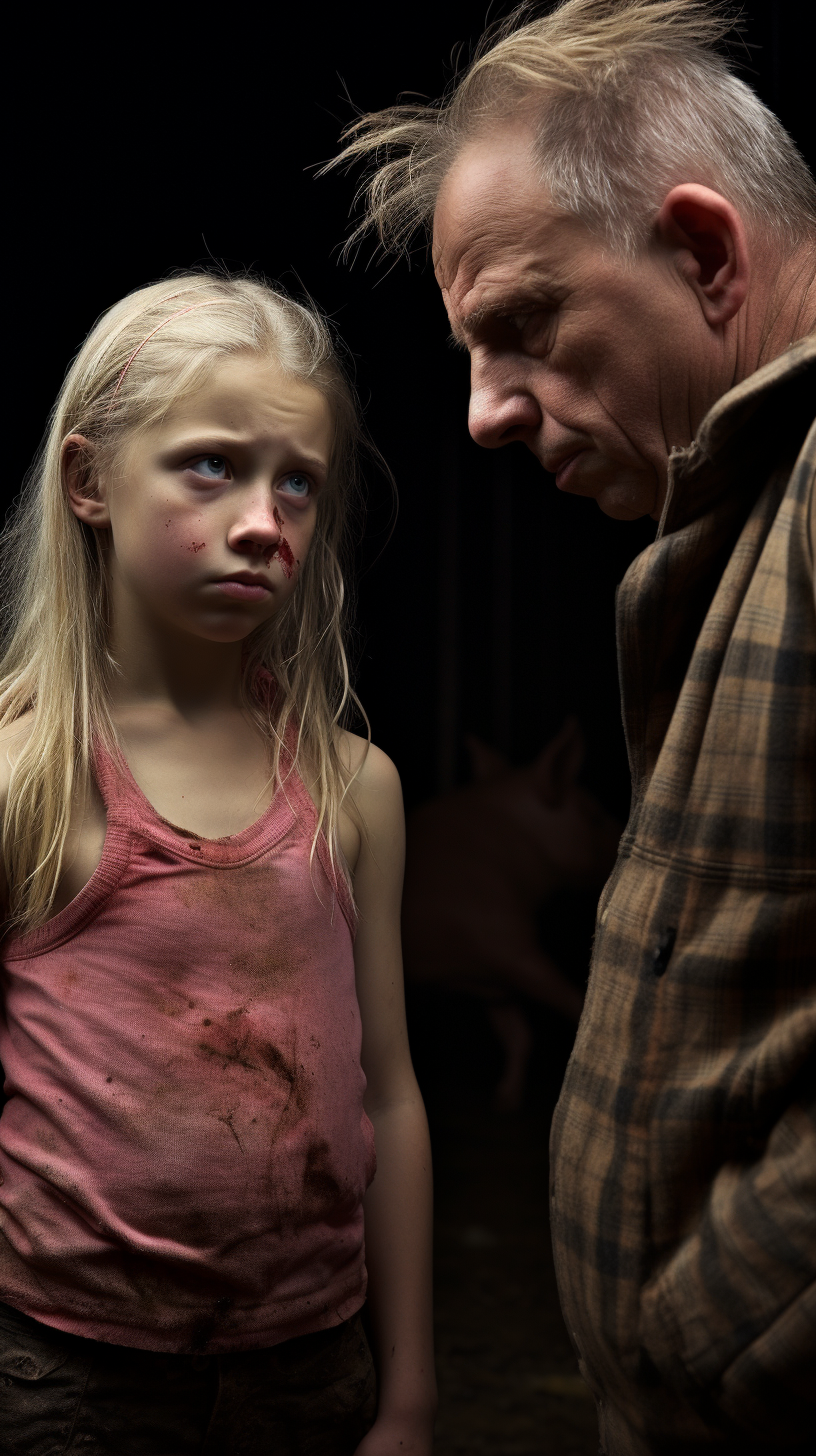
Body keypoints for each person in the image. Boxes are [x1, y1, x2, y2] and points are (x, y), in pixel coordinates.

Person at [329, 0, 816, 1451]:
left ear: (705, 253)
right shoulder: (742, 517)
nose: (481, 414)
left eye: (524, 329)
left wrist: (716, 1337)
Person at [0, 274, 436, 1455]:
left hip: (314, 1372)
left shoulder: (355, 790)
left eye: (297, 480)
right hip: (66, 1379)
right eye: (211, 465)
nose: (265, 519)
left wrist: (408, 1398)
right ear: (90, 481)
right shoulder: (22, 784)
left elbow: (387, 1093)